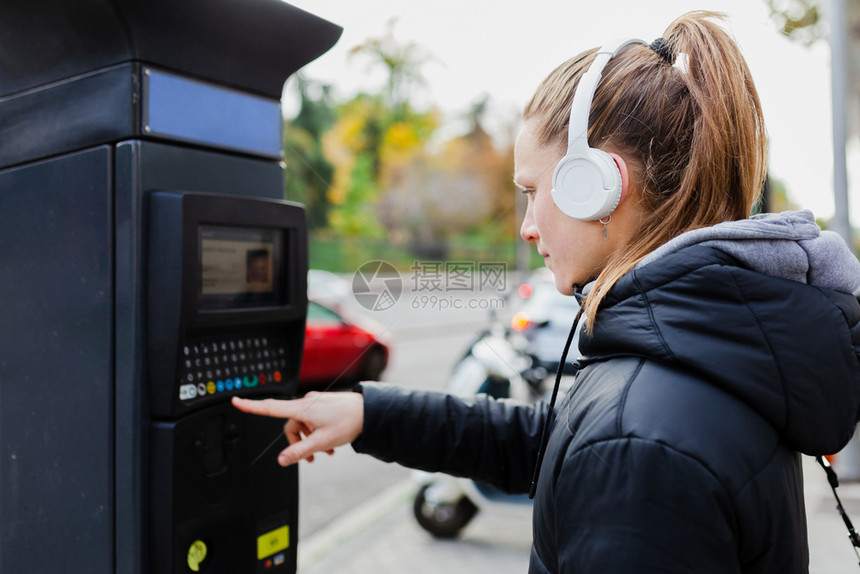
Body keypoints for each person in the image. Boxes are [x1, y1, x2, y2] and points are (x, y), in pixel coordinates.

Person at [233, 11, 860, 573]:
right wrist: (369, 414)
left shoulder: (640, 445)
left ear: (599, 186)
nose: (528, 226)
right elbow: (554, 444)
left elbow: (609, 450)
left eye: (534, 192)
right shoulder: (718, 348)